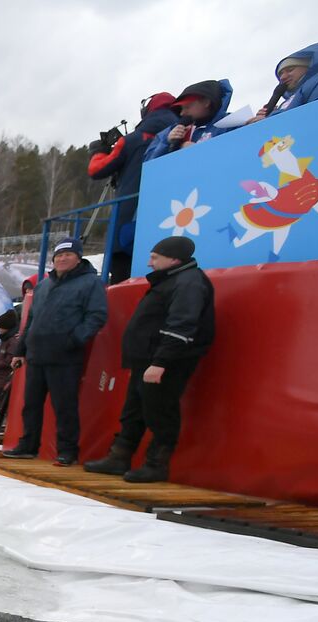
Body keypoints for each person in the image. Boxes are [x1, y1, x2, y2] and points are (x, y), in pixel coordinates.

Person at [84, 235, 215, 483]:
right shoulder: (169, 280)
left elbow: (181, 325)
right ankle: (119, 456)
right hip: (146, 359)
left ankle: (156, 464)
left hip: (166, 361)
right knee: (133, 410)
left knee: (160, 411)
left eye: (155, 257)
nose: (149, 263)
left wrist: (160, 362)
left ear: (174, 259)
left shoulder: (189, 283)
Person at [5, 237, 108, 464]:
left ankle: (67, 450)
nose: (62, 259)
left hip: (65, 356)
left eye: (68, 255)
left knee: (64, 406)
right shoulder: (43, 285)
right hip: (37, 354)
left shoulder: (91, 283)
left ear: (78, 258)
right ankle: (28, 445)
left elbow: (97, 316)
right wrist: (20, 351)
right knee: (31, 404)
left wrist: (74, 339)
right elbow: (31, 320)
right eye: (59, 255)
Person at [87, 93, 179, 283]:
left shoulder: (133, 139)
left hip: (128, 218)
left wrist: (99, 152)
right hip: (174, 217)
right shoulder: (184, 133)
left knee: (122, 279)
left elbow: (97, 170)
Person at [144, 80, 238, 162]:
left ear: (206, 102)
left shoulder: (232, 122)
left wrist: (199, 151)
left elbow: (239, 154)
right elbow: (148, 166)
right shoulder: (170, 132)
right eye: (181, 108)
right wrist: (167, 142)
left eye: (187, 107)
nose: (182, 113)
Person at [249, 42, 318, 122]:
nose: (283, 77)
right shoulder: (289, 100)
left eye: (290, 70)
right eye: (281, 74)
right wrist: (267, 118)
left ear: (308, 67)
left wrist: (272, 119)